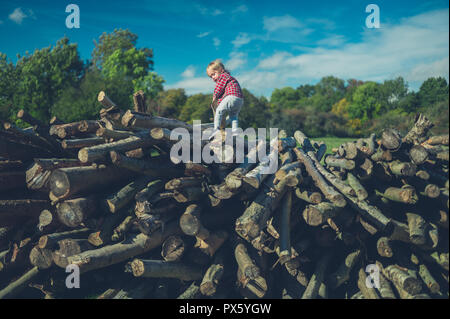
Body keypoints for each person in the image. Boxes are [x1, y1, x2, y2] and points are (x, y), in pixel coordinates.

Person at [206, 59, 244, 140]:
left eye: (213, 74)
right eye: (211, 76)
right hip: (239, 100)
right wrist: (219, 101)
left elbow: (219, 88)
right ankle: (235, 133)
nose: (213, 78)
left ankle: (216, 129)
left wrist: (215, 96)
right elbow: (223, 96)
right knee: (233, 117)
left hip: (232, 96)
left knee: (219, 111)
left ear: (221, 70)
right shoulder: (229, 78)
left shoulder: (223, 76)